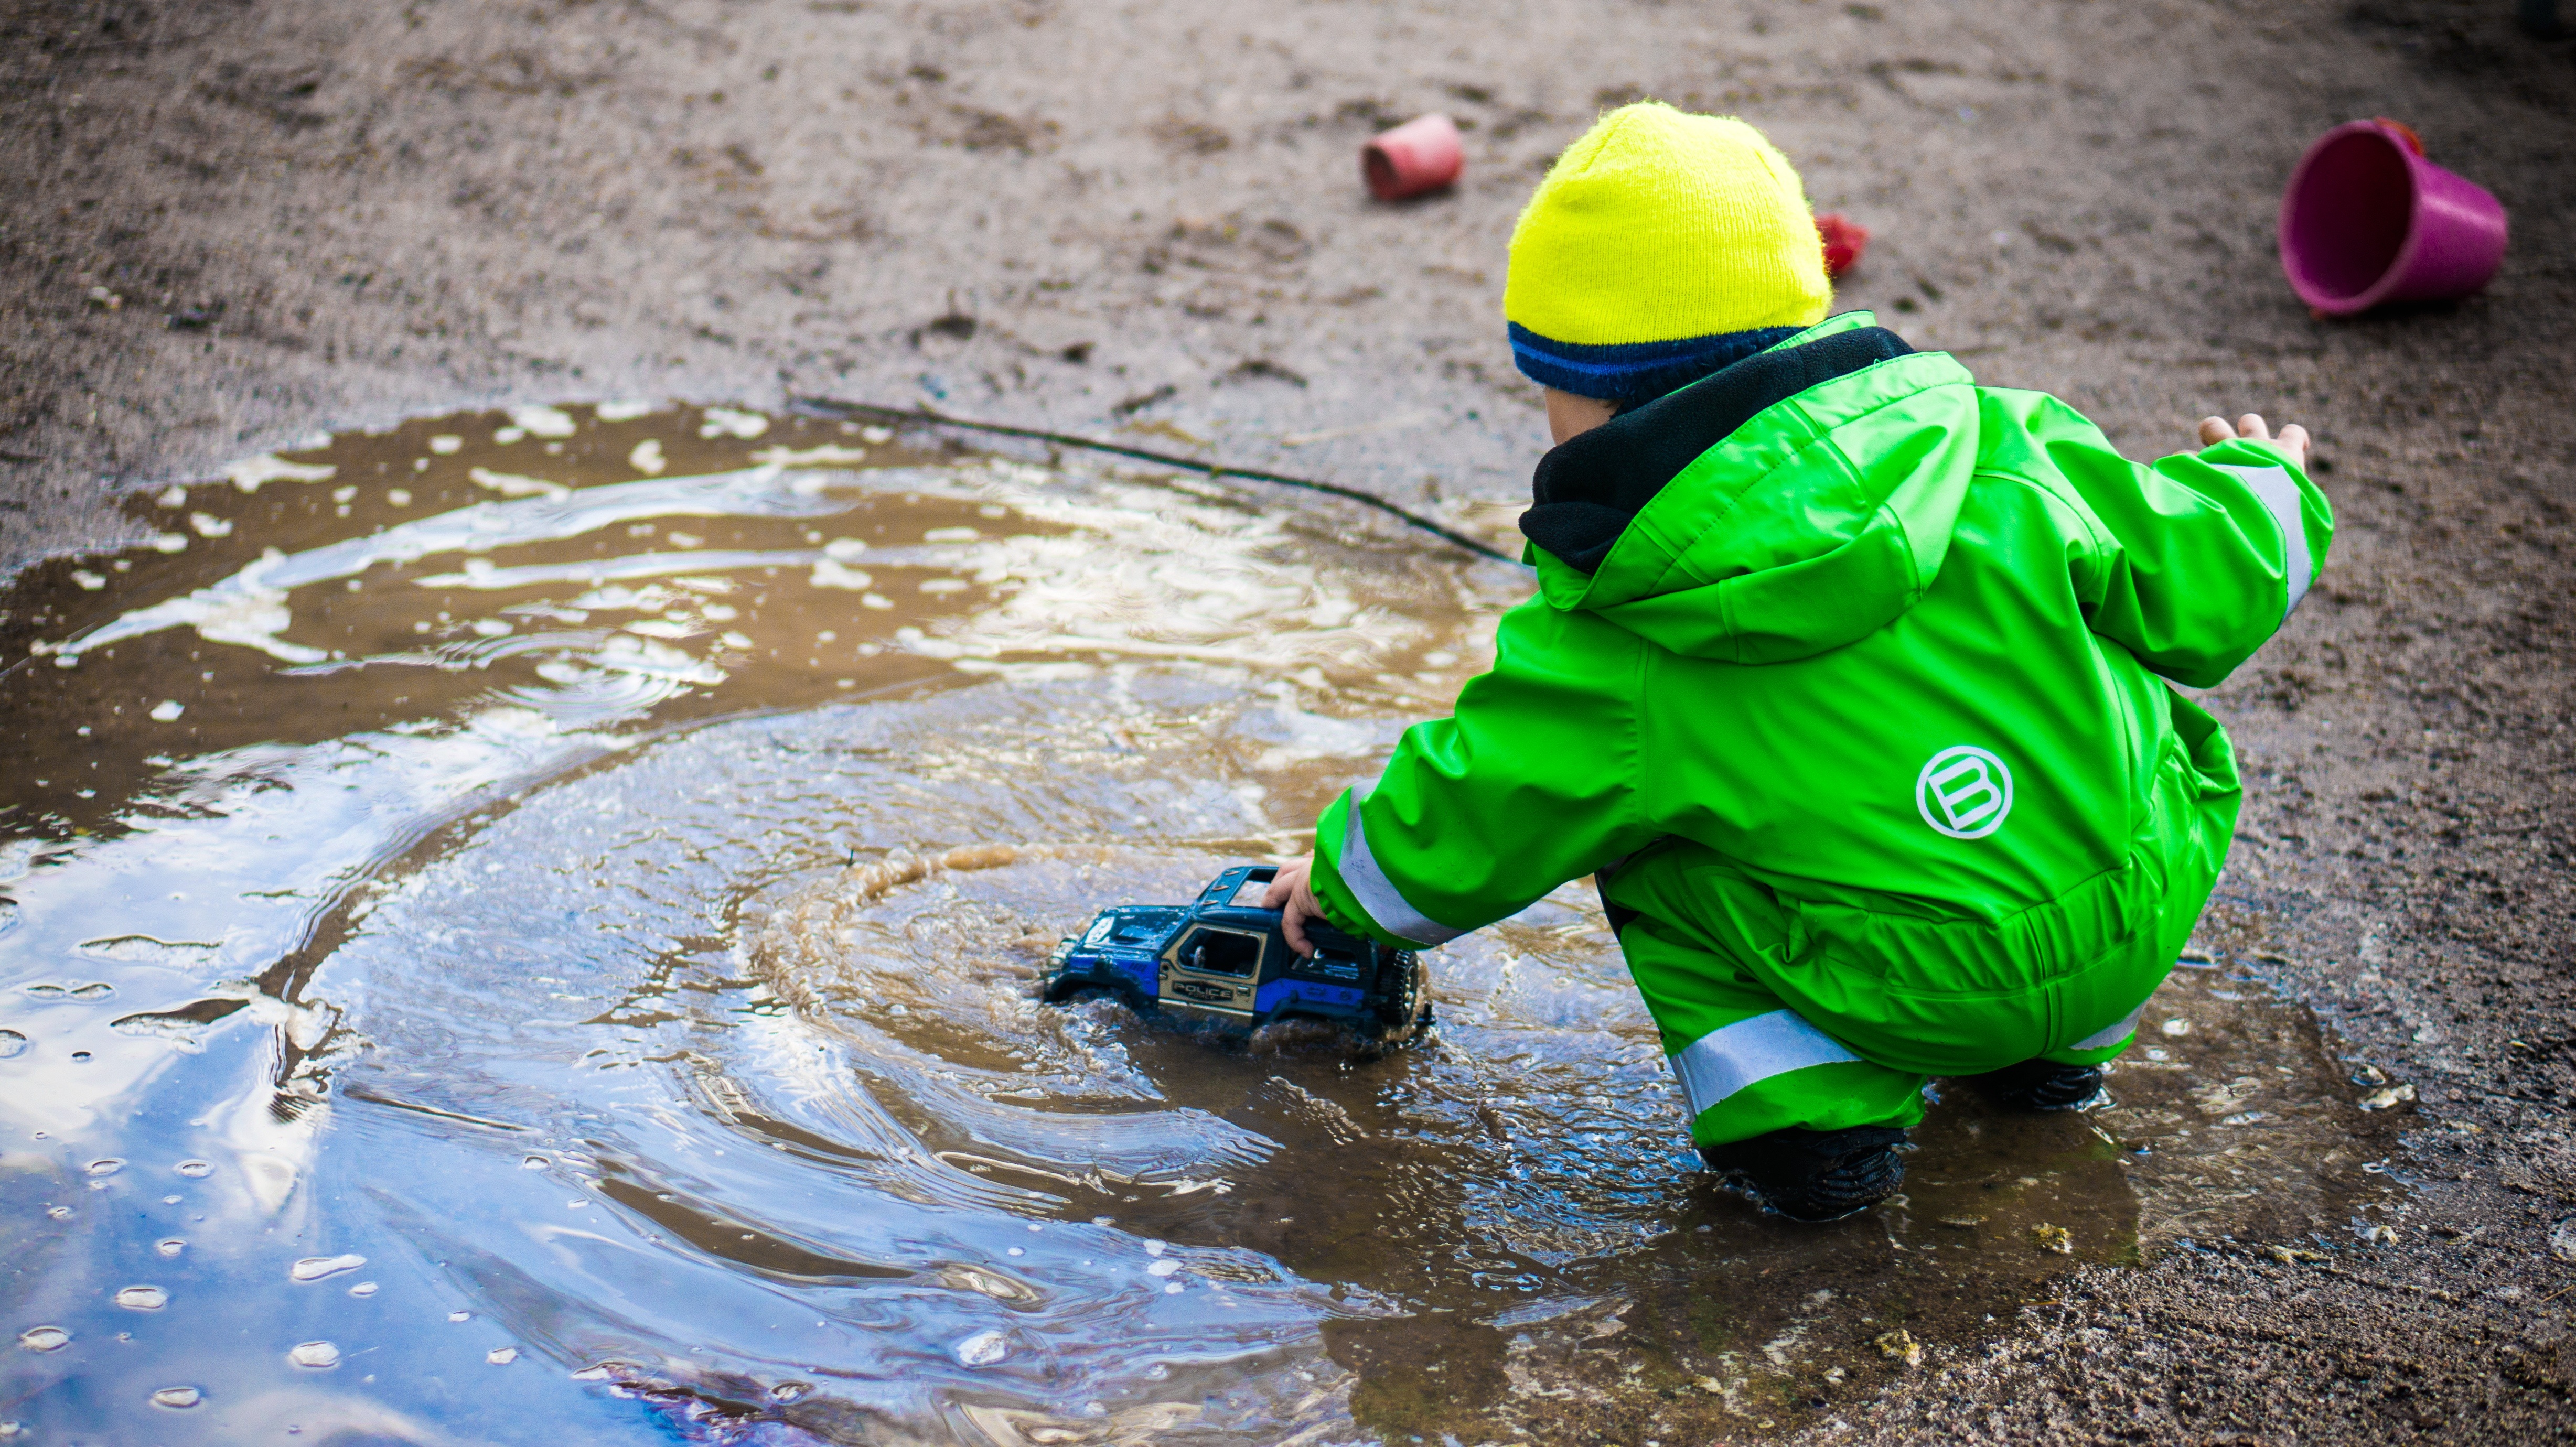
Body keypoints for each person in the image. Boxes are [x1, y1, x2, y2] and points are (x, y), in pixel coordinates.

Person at [1262, 102, 2330, 1222]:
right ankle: (2046, 1067)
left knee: (1632, 834)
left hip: (1908, 985)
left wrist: (1338, 888)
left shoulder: (1616, 630)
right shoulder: (2003, 444)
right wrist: (2269, 485)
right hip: (2131, 907)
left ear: (1575, 391)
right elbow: (2202, 573)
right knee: (2100, 701)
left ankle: (1808, 1133)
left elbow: (1478, 804)